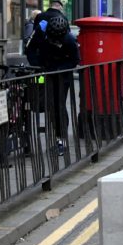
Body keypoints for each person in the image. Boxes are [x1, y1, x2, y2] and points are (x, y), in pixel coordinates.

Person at [33, 16, 80, 153]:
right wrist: (38, 65)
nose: (55, 42)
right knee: (43, 104)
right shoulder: (40, 32)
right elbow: (30, 49)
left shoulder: (70, 40)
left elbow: (74, 60)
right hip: (44, 73)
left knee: (58, 106)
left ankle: (61, 140)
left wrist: (59, 69)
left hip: (61, 77)